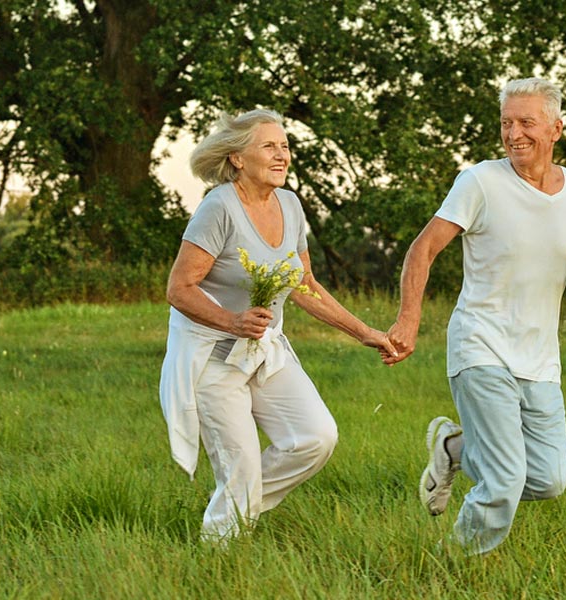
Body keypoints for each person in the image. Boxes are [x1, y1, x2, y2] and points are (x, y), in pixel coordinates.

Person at [386, 77, 566, 555]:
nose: (514, 133)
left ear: (556, 128)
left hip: (540, 359)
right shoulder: (479, 181)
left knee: (547, 478)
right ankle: (453, 567)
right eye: (506, 123)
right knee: (502, 481)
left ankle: (455, 450)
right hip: (481, 344)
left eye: (526, 122)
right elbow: (423, 249)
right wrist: (407, 321)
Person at [159, 109, 398, 542]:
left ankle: (237, 505)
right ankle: (219, 551)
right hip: (211, 359)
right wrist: (232, 320)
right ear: (237, 158)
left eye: (285, 146)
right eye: (269, 146)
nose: (282, 154)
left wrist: (365, 332)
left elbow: (303, 284)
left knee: (315, 437)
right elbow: (179, 288)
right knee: (240, 467)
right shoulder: (219, 208)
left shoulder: (290, 205)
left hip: (264, 350)